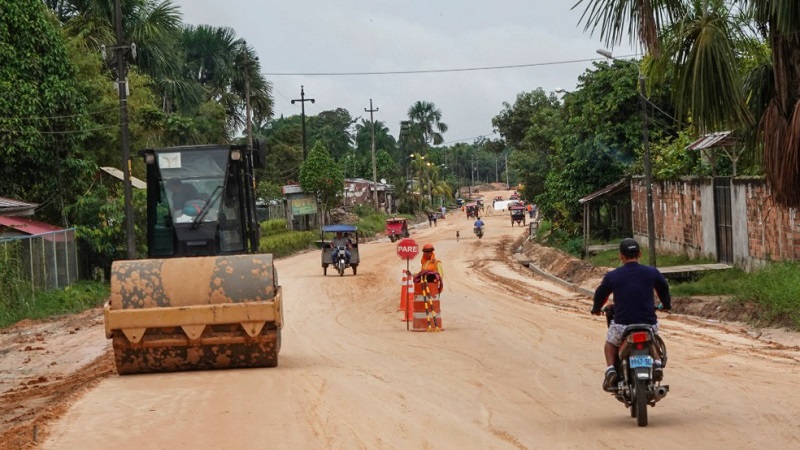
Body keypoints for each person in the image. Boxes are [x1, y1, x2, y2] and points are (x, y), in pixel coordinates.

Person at [591, 238, 671, 391]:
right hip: (647, 324)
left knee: (610, 343)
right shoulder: (651, 272)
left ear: (621, 256)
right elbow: (664, 288)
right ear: (640, 254)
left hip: (623, 326)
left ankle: (611, 370)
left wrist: (596, 308)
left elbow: (600, 294)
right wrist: (666, 305)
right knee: (653, 339)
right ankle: (656, 362)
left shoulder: (613, 276)